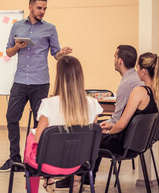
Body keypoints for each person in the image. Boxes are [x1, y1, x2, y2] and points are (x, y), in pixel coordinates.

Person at [0, 0, 73, 172]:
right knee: (11, 118)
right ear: (30, 7)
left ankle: (36, 159)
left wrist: (63, 52)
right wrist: (17, 47)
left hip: (40, 82)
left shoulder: (50, 29)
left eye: (45, 8)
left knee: (41, 122)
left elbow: (55, 54)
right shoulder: (17, 26)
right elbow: (8, 52)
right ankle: (14, 159)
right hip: (20, 80)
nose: (42, 12)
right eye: (39, 8)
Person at [56, 44, 143, 188]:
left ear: (120, 61)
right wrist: (105, 126)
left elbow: (117, 120)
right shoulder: (134, 78)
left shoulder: (127, 83)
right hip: (133, 138)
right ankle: (86, 177)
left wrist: (106, 128)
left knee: (89, 136)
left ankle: (77, 176)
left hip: (123, 139)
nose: (114, 60)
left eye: (115, 57)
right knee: (96, 131)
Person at [24, 55, 103, 193]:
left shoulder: (48, 104)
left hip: (48, 164)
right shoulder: (93, 104)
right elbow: (90, 138)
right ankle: (76, 181)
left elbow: (38, 140)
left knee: (32, 137)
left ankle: (39, 185)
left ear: (59, 77)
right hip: (78, 164)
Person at [94, 52, 159, 184]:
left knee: (89, 137)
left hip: (122, 144)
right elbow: (134, 122)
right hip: (137, 145)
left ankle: (79, 179)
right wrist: (111, 125)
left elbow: (122, 125)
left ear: (144, 71)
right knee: (96, 134)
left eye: (138, 68)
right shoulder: (158, 94)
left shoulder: (139, 91)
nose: (136, 70)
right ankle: (84, 178)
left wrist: (108, 132)